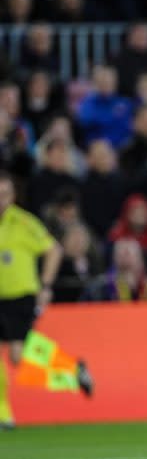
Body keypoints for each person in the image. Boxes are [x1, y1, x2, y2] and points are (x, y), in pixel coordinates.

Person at [0, 171, 91, 430]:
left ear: (12, 196)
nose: (0, 199)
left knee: (17, 355)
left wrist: (46, 285)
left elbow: (53, 250)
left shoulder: (24, 223)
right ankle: (4, 414)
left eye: (5, 194)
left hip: (20, 296)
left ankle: (72, 371)